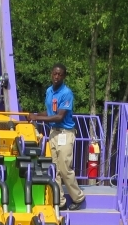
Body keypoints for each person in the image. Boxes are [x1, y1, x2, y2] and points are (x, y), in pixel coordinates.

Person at [26, 64, 85, 211]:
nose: (56, 77)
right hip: (53, 133)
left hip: (65, 132)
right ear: (51, 75)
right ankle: (60, 201)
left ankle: (78, 197)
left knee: (65, 168)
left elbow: (59, 116)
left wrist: (37, 118)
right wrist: (35, 115)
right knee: (54, 169)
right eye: (54, 74)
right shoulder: (49, 91)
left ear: (64, 76)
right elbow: (49, 112)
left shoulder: (66, 93)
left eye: (60, 74)